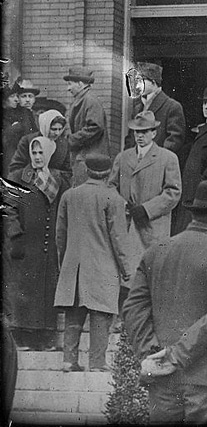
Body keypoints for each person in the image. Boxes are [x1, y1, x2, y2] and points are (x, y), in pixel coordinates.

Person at [123, 180, 207, 424]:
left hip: (162, 376)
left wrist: (154, 353)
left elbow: (133, 308)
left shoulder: (156, 251)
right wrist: (175, 356)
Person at [54, 154, 135, 372]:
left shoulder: (69, 196)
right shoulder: (113, 198)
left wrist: (63, 262)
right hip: (102, 266)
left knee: (74, 312)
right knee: (101, 314)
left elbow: (60, 235)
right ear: (109, 173)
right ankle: (97, 363)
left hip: (74, 264)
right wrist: (127, 270)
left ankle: (69, 360)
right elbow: (118, 238)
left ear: (87, 171)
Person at [109, 110, 182, 311]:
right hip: (127, 223)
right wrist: (124, 206)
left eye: (144, 132)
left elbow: (173, 192)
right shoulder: (123, 158)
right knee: (126, 273)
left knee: (151, 274)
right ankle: (124, 322)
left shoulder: (167, 158)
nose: (139, 136)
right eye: (136, 132)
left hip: (152, 226)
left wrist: (147, 209)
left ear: (154, 133)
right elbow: (111, 187)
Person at [4, 136, 69, 351]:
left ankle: (45, 336)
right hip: (26, 243)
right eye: (34, 153)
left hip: (50, 246)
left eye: (42, 153)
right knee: (25, 290)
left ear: (49, 154)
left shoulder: (58, 179)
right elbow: (9, 209)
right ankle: (23, 336)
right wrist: (15, 235)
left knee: (47, 289)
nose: (38, 157)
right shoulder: (18, 178)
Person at [175, 86, 207, 233]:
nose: (206, 107)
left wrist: (203, 181)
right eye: (204, 103)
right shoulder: (205, 128)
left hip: (201, 189)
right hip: (190, 188)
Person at [124, 62, 186, 155]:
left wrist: (157, 159)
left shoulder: (172, 106)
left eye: (141, 81)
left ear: (153, 82)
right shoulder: (137, 109)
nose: (137, 86)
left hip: (158, 165)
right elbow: (130, 139)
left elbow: (174, 140)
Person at [63, 66, 110, 186]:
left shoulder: (90, 101)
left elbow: (95, 127)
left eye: (70, 84)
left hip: (90, 160)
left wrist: (72, 140)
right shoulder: (83, 100)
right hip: (85, 158)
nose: (68, 88)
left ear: (80, 84)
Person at [9, 109, 70, 180]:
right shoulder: (28, 141)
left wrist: (51, 174)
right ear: (45, 126)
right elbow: (15, 168)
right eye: (53, 129)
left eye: (60, 129)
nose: (57, 133)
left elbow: (68, 171)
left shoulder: (63, 145)